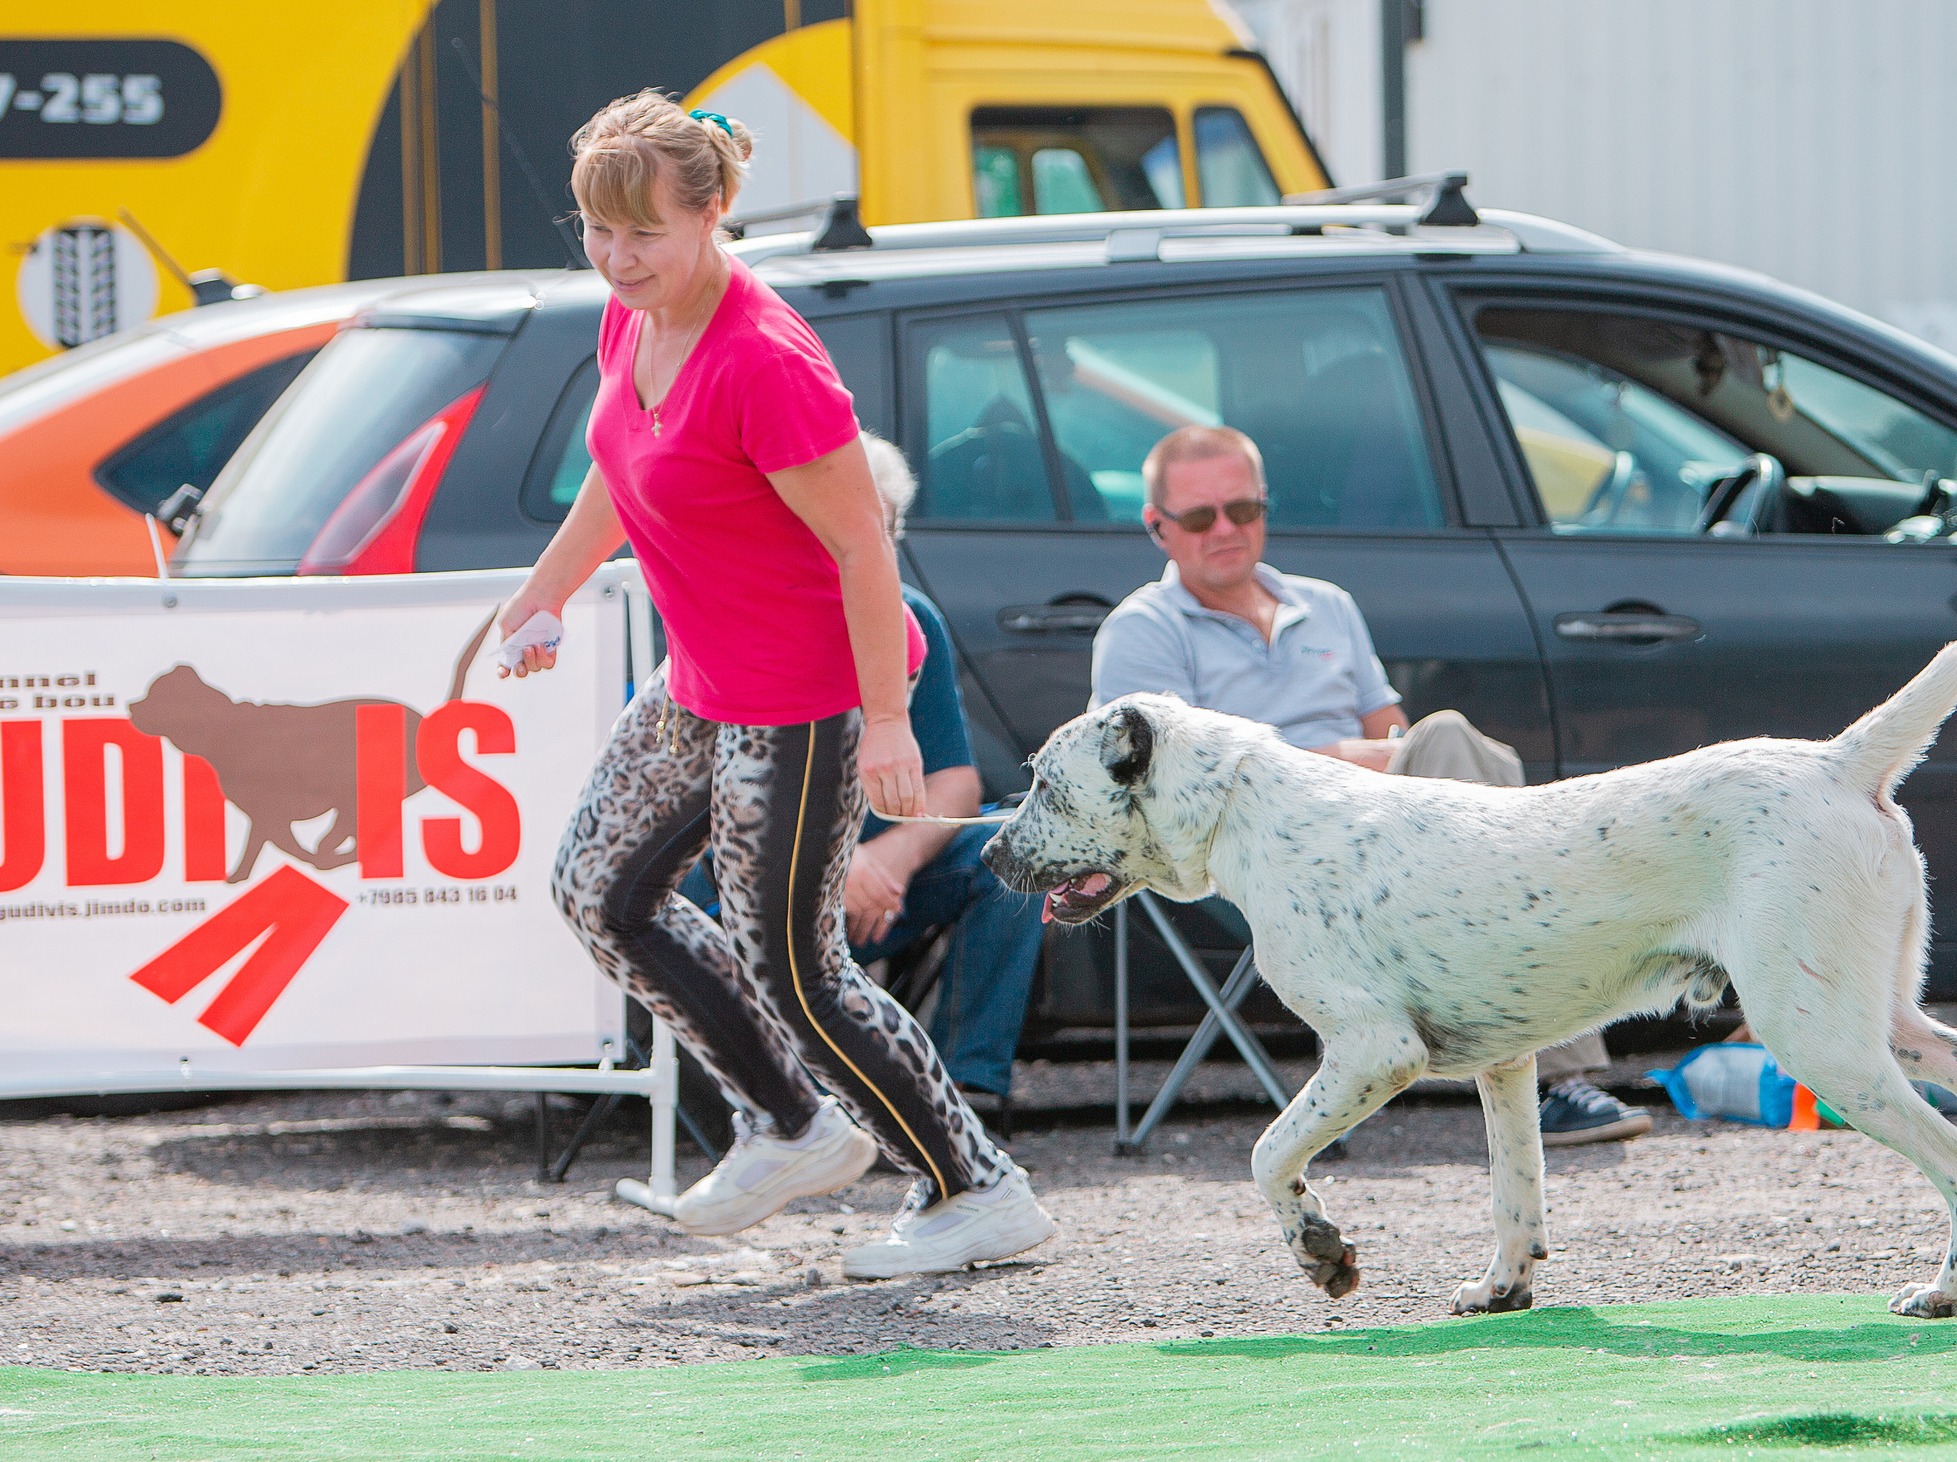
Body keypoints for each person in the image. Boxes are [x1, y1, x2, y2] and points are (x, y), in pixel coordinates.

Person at [501, 92, 1054, 1277]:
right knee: (599, 892)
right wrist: (546, 589)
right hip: (701, 680)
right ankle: (791, 1124)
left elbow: (865, 549)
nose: (614, 257)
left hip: (806, 696)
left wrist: (892, 722)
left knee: (796, 967)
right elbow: (619, 469)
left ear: (714, 215)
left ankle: (977, 1188)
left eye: (641, 232)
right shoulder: (630, 317)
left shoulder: (767, 361)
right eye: (596, 231)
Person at [1090, 425, 1653, 1145]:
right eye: (1202, 517)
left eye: (1244, 509)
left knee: (1468, 760)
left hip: (1379, 841)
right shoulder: (1141, 631)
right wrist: (1351, 761)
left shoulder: (1327, 605)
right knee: (1462, 754)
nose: (1227, 529)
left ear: (1265, 505)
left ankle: (1532, 1059)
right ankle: (1553, 1076)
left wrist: (1362, 761)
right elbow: (1162, 792)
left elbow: (1394, 729)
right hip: (1254, 861)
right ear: (1157, 527)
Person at [682, 436, 1047, 1119]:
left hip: (882, 880)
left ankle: (961, 1090)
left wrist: (889, 856)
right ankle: (797, 1107)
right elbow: (696, 807)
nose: (851, 551)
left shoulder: (914, 620)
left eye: (872, 531)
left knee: (1014, 851)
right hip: (754, 890)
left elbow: (956, 781)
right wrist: (827, 865)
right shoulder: (731, 618)